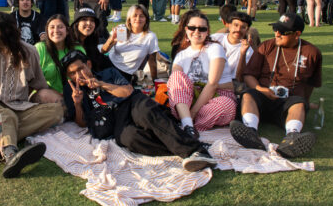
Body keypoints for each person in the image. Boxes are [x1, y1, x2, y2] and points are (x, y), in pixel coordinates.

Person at [61, 50, 217, 172]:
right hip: (114, 123)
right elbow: (81, 123)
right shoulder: (72, 90)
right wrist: (78, 104)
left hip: (131, 103)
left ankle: (195, 150)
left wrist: (101, 84)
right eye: (72, 73)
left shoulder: (108, 74)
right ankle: (192, 149)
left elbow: (127, 92)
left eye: (80, 69)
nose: (78, 75)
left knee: (145, 113)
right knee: (130, 139)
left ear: (89, 64)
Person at [0, 12, 63, 178]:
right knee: (6, 116)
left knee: (55, 111)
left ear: (2, 34)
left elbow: (39, 85)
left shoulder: (29, 51)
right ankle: (10, 155)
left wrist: (63, 100)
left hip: (20, 106)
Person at [230, 13, 321, 158]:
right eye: (276, 29)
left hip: (289, 100)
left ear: (297, 34)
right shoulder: (266, 46)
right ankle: (251, 131)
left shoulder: (311, 53)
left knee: (298, 103)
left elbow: (311, 84)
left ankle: (292, 137)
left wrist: (305, 102)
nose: (277, 34)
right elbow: (248, 75)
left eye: (283, 32)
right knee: (248, 95)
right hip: (263, 95)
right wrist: (261, 89)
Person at [167, 10, 235, 138]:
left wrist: (192, 113)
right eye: (193, 28)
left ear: (207, 31)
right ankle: (189, 124)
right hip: (188, 99)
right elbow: (176, 85)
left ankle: (187, 124)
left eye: (202, 29)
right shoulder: (181, 55)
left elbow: (213, 83)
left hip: (214, 98)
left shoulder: (215, 48)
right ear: (186, 29)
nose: (197, 32)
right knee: (175, 77)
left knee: (226, 105)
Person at [101, 4, 159, 84]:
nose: (138, 19)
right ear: (129, 19)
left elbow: (152, 61)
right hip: (109, 65)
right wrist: (111, 39)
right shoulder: (122, 30)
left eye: (141, 16)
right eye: (135, 16)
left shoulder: (150, 37)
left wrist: (155, 81)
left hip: (125, 74)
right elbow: (103, 51)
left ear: (146, 19)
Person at [35, 14, 85, 95]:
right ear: (47, 31)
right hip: (47, 94)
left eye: (60, 27)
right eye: (52, 27)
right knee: (44, 95)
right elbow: (31, 77)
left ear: (67, 31)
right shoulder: (39, 48)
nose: (56, 30)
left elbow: (85, 75)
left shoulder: (77, 49)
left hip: (74, 93)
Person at [211, 12, 253, 82]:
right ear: (229, 26)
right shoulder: (215, 38)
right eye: (236, 25)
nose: (238, 30)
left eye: (243, 27)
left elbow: (240, 78)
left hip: (228, 82)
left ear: (247, 30)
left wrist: (243, 53)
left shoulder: (248, 51)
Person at [71, 6, 112, 73]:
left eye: (92, 20)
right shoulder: (69, 41)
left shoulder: (91, 40)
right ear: (77, 23)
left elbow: (99, 59)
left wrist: (112, 40)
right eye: (84, 19)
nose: (89, 23)